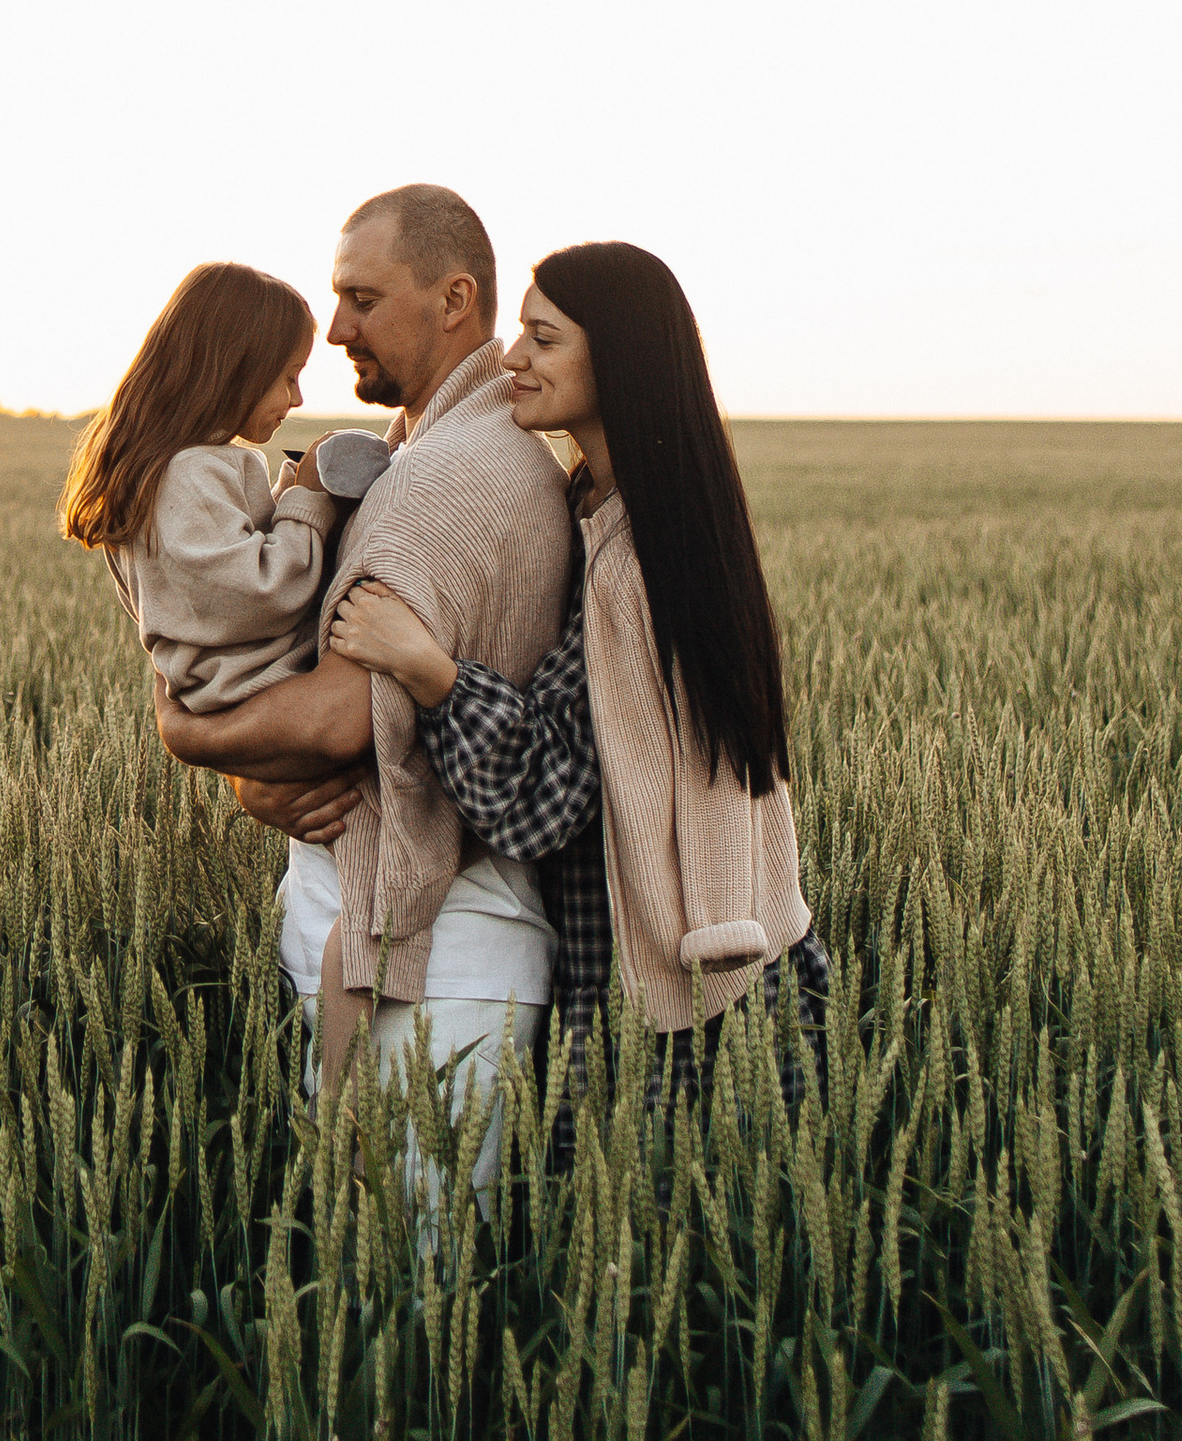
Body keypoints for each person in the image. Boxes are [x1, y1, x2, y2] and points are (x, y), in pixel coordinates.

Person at [329, 241, 827, 1116]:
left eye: (543, 338)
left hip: (678, 1003)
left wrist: (428, 667)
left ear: (620, 358)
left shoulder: (636, 562)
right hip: (709, 963)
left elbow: (553, 797)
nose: (512, 357)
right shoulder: (622, 507)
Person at [151, 185, 572, 1193]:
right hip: (390, 944)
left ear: (453, 299)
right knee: (366, 1280)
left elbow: (343, 718)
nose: (335, 328)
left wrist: (190, 735)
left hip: (436, 972)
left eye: (361, 298)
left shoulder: (445, 478)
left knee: (412, 1292)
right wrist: (263, 781)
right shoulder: (421, 452)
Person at [62, 264, 342, 709]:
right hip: (263, 687)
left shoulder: (167, 471)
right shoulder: (187, 476)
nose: (298, 398)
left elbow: (217, 576)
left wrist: (290, 488)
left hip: (234, 689)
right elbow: (263, 594)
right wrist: (307, 499)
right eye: (289, 376)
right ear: (237, 371)